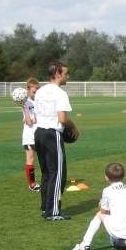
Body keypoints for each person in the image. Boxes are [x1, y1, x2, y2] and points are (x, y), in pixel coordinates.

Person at [33, 61, 79, 221]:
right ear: (58, 74)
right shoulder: (60, 93)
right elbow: (62, 118)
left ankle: (45, 208)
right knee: (58, 173)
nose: (68, 76)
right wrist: (74, 128)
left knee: (46, 172)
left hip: (38, 133)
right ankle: (53, 212)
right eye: (66, 73)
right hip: (52, 134)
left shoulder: (40, 91)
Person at [72, 163, 126, 250]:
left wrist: (100, 204)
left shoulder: (107, 190)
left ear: (106, 177)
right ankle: (114, 241)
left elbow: (103, 211)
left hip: (119, 231)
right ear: (123, 176)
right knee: (118, 213)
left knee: (99, 215)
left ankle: (85, 245)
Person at [20, 77, 41, 192]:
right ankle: (32, 184)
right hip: (29, 135)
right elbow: (28, 121)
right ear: (28, 90)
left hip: (39, 133)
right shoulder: (25, 102)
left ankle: (47, 181)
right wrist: (25, 108)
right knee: (30, 158)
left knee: (44, 158)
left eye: (37, 90)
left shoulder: (38, 101)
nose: (36, 93)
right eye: (34, 91)